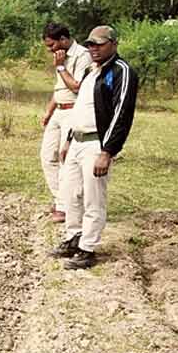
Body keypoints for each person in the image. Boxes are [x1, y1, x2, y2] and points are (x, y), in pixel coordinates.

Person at [53, 26, 138, 270]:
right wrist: (69, 139)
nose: (94, 49)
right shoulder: (92, 72)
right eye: (90, 44)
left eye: (99, 44)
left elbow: (122, 114)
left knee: (93, 198)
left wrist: (107, 151)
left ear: (113, 43)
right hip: (78, 141)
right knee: (69, 193)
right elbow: (81, 108)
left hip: (96, 144)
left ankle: (87, 248)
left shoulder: (121, 72)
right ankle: (73, 237)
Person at [40, 23, 92, 223]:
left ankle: (64, 207)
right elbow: (60, 87)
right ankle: (60, 199)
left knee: (66, 159)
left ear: (63, 39)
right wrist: (49, 111)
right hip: (59, 111)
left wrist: (61, 67)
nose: (50, 50)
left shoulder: (82, 56)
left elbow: (77, 87)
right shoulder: (59, 57)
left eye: (51, 45)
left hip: (73, 111)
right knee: (47, 156)